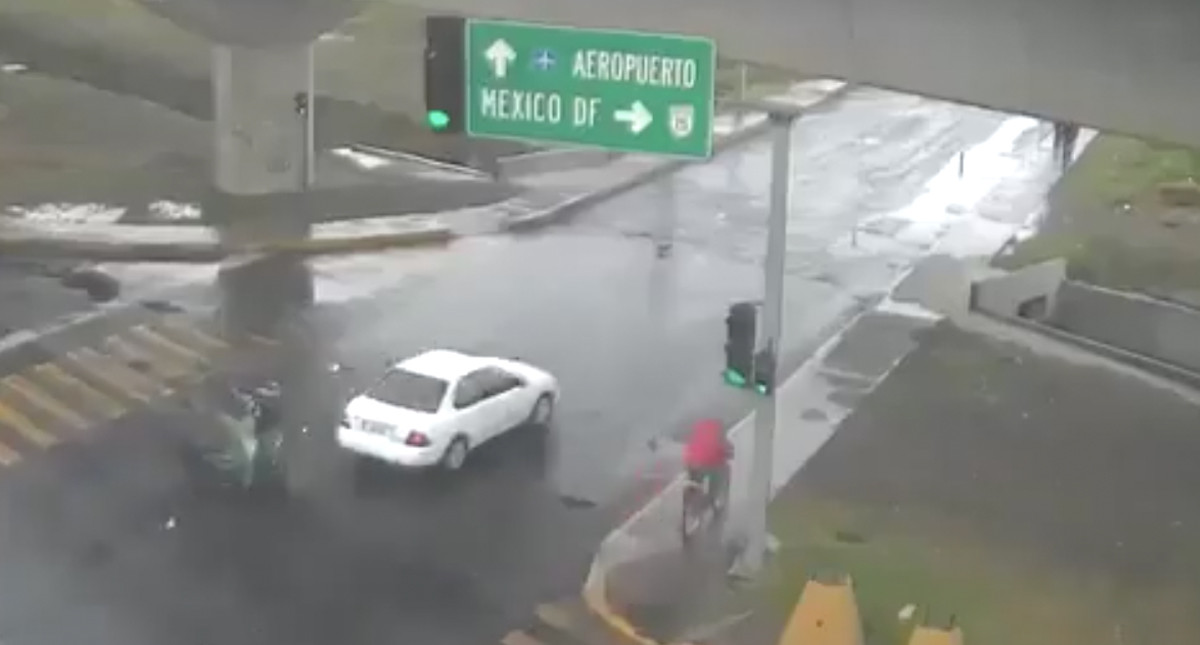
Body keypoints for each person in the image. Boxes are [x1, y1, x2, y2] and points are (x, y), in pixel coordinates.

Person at [683, 418, 733, 505]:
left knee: (693, 479)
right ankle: (719, 502)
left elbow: (688, 444)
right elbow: (726, 447)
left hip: (694, 463)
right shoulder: (718, 426)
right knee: (724, 472)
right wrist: (729, 453)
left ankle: (690, 499)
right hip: (714, 464)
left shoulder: (694, 424)